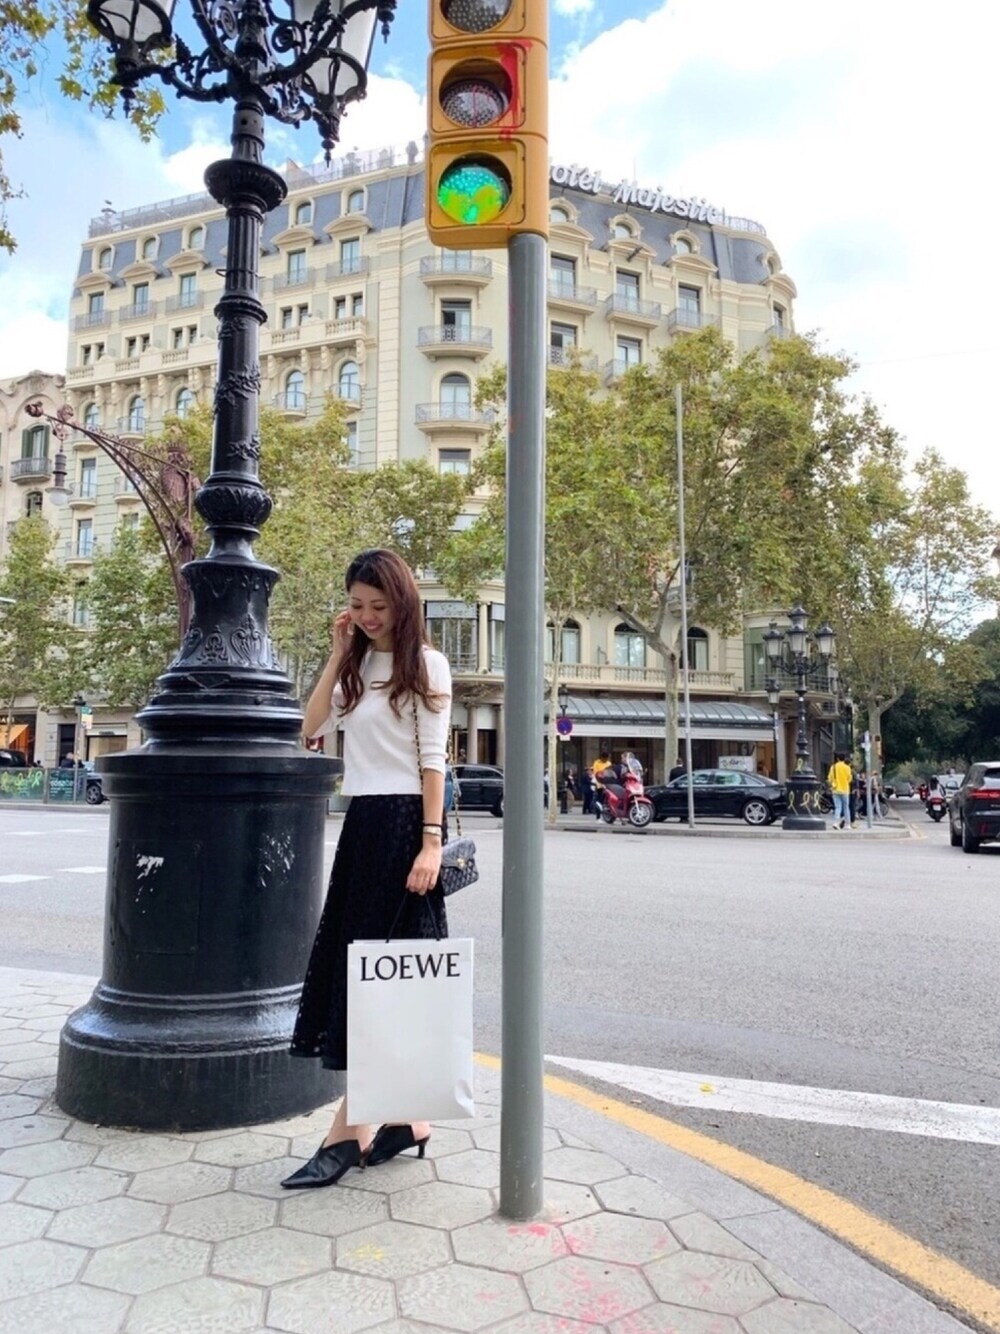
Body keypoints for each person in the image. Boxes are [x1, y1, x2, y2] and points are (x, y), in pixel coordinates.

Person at [284, 549, 452, 1190]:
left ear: (403, 604)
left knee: (384, 977)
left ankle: (349, 1131)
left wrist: (430, 843)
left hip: (406, 826)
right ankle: (408, 1121)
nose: (368, 616)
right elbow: (311, 725)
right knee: (369, 971)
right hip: (362, 827)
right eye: (357, 605)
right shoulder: (355, 665)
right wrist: (337, 654)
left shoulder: (426, 664)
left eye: (379, 606)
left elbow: (432, 761)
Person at [827, 751, 852, 830]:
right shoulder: (847, 767)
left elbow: (829, 779)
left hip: (835, 790)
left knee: (837, 807)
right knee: (846, 807)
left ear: (837, 758)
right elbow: (849, 779)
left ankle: (836, 823)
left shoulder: (833, 767)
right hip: (845, 790)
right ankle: (848, 824)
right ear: (844, 759)